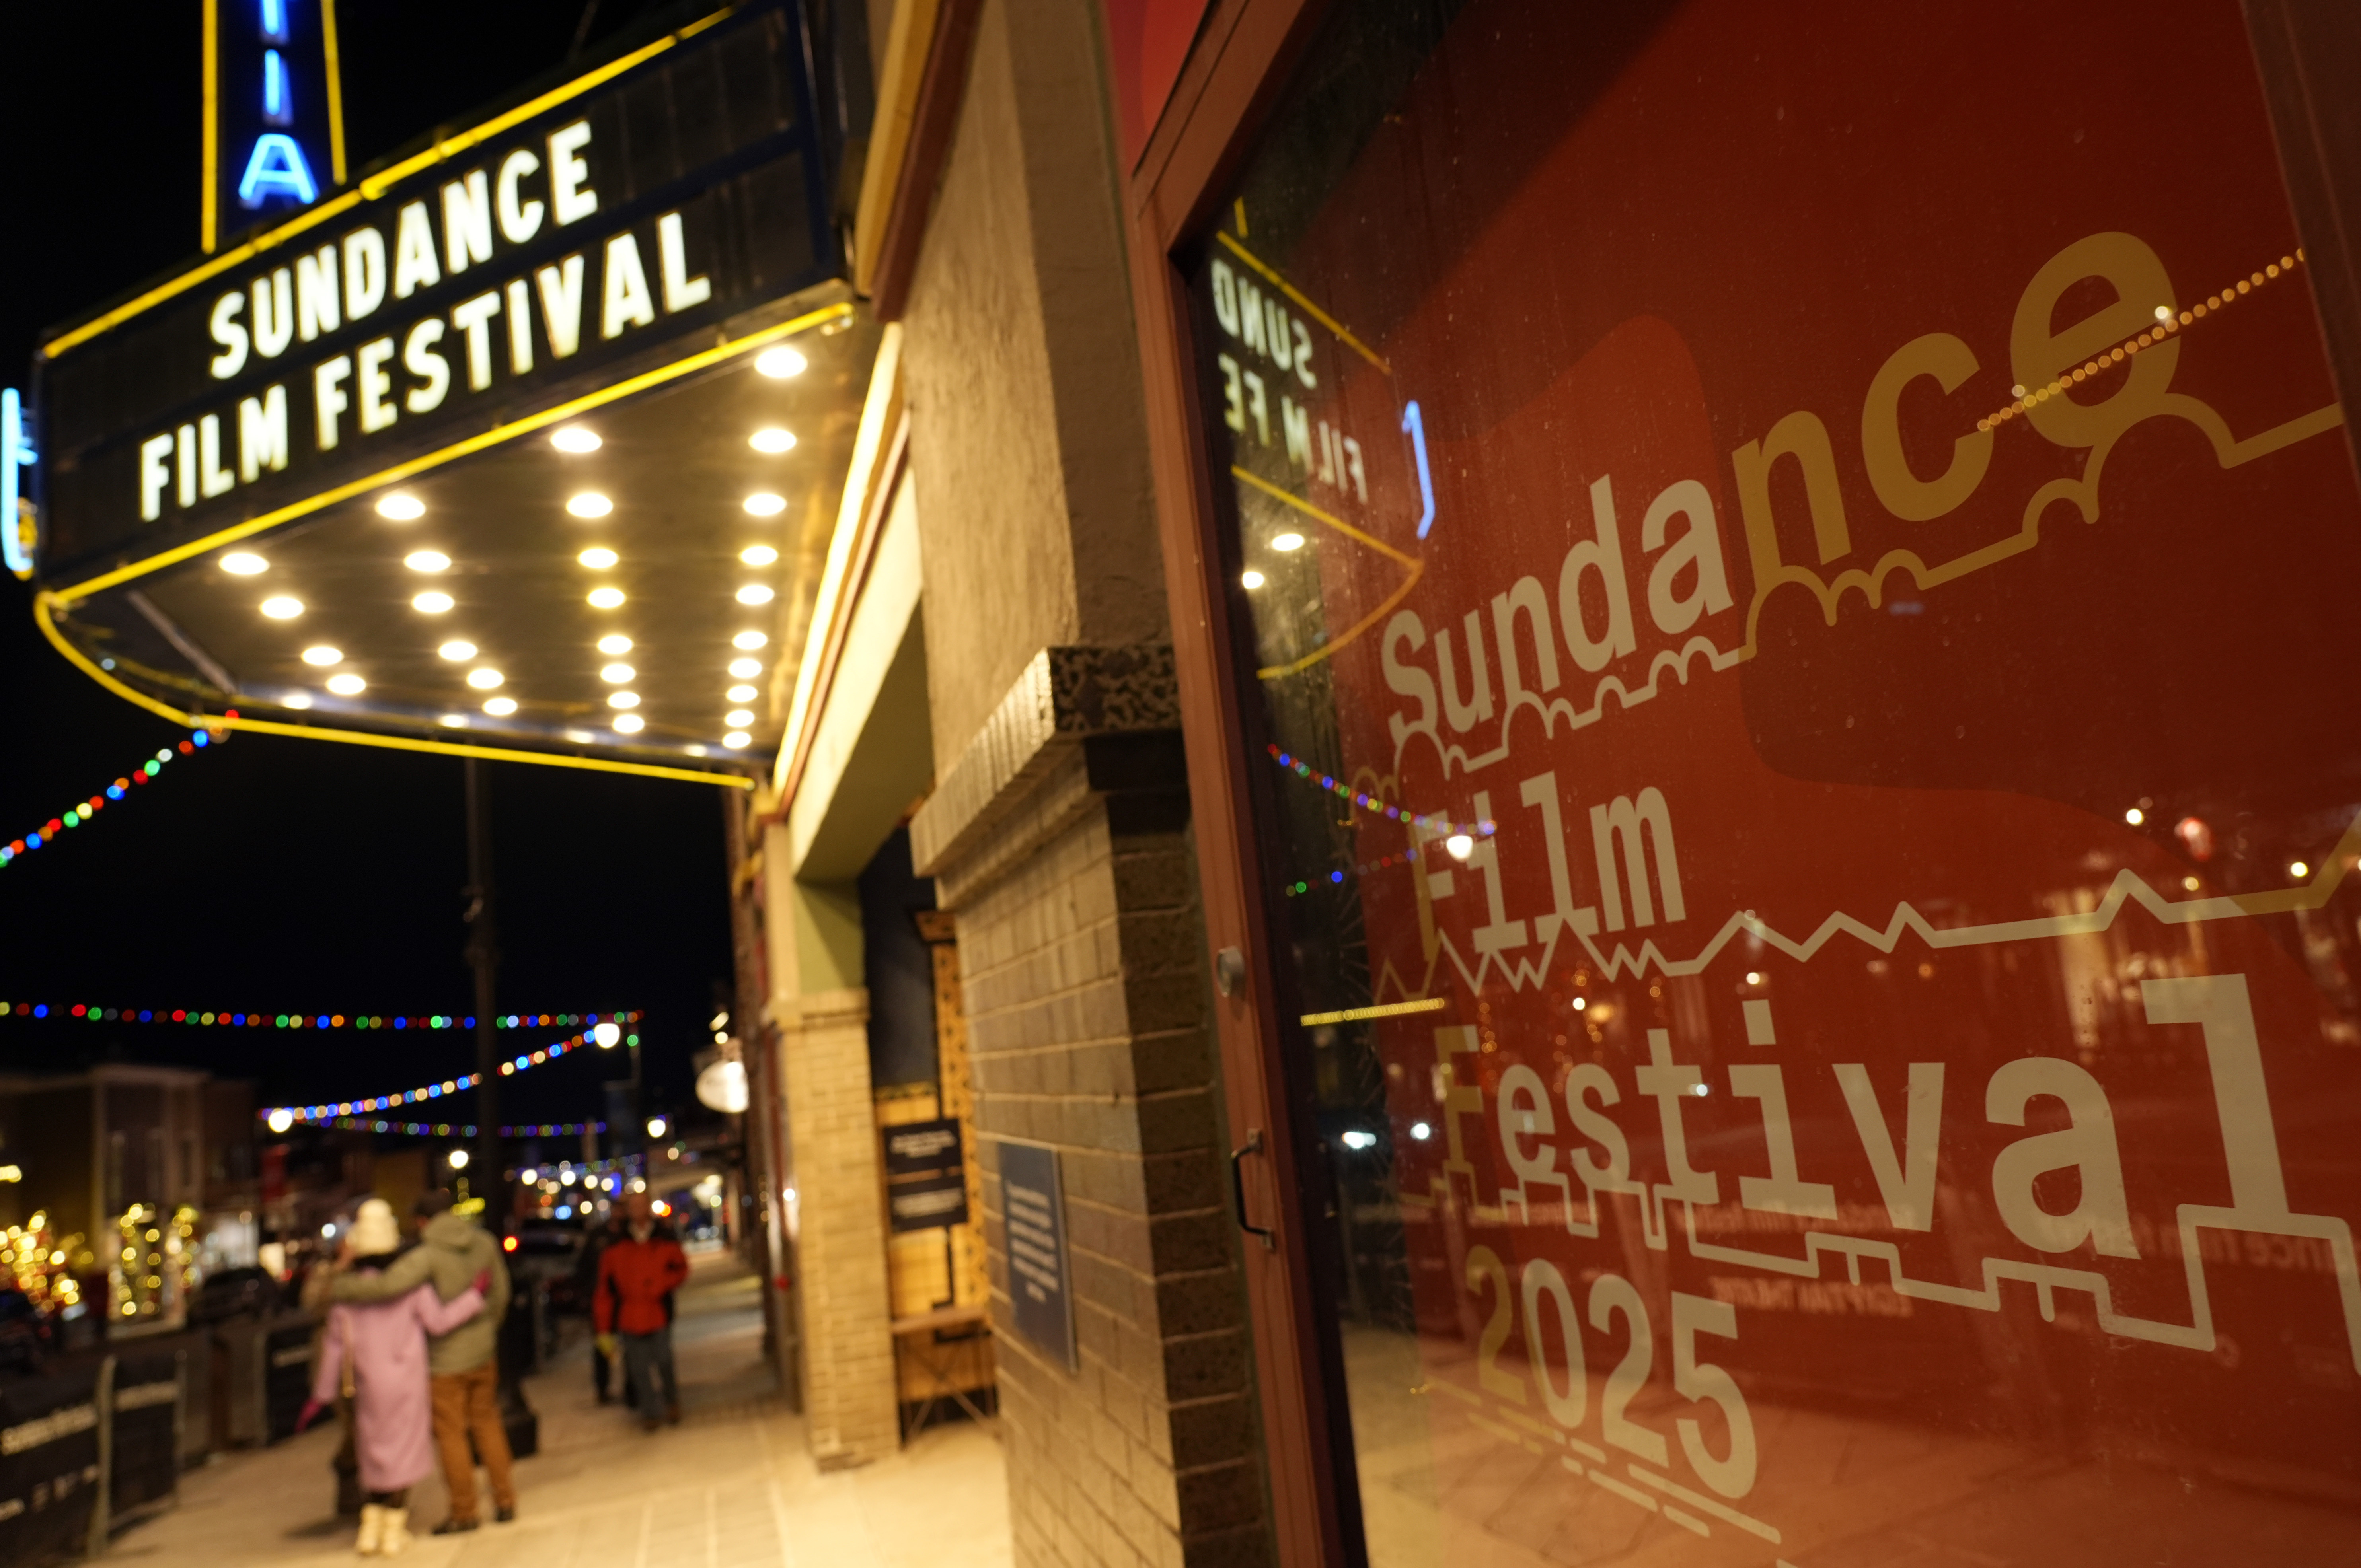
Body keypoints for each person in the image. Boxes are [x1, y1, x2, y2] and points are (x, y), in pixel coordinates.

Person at [301, 1200, 486, 1558]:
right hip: (408, 1385)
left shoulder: (347, 1296)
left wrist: (321, 1394)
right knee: (405, 1454)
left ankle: (371, 1530)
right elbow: (439, 1322)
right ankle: (394, 1529)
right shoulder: (412, 1287)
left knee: (374, 1456)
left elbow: (333, 1349)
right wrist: (473, 1297)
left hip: (368, 1387)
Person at [330, 1190, 516, 1535]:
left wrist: (341, 1288)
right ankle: (505, 1502)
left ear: (422, 1222)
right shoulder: (485, 1243)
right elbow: (501, 1294)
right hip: (482, 1352)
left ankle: (465, 1511)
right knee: (488, 1423)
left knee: (452, 1435)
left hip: (445, 1360)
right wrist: (486, 1330)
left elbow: (386, 1286)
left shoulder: (427, 1256)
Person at [594, 1193, 688, 1432]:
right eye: (633, 1206)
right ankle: (650, 1413)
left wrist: (662, 1285)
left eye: (641, 1205)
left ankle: (671, 1401)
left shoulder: (663, 1238)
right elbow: (606, 1289)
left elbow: (680, 1268)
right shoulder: (616, 1245)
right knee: (638, 1369)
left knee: (665, 1361)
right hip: (631, 1315)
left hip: (657, 1311)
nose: (637, 1210)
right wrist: (604, 1328)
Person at [573, 1208, 629, 1406]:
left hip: (625, 1301)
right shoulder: (598, 1236)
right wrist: (586, 1293)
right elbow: (583, 1266)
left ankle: (632, 1389)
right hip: (601, 1302)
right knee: (603, 1346)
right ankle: (602, 1389)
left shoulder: (627, 1234)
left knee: (629, 1345)